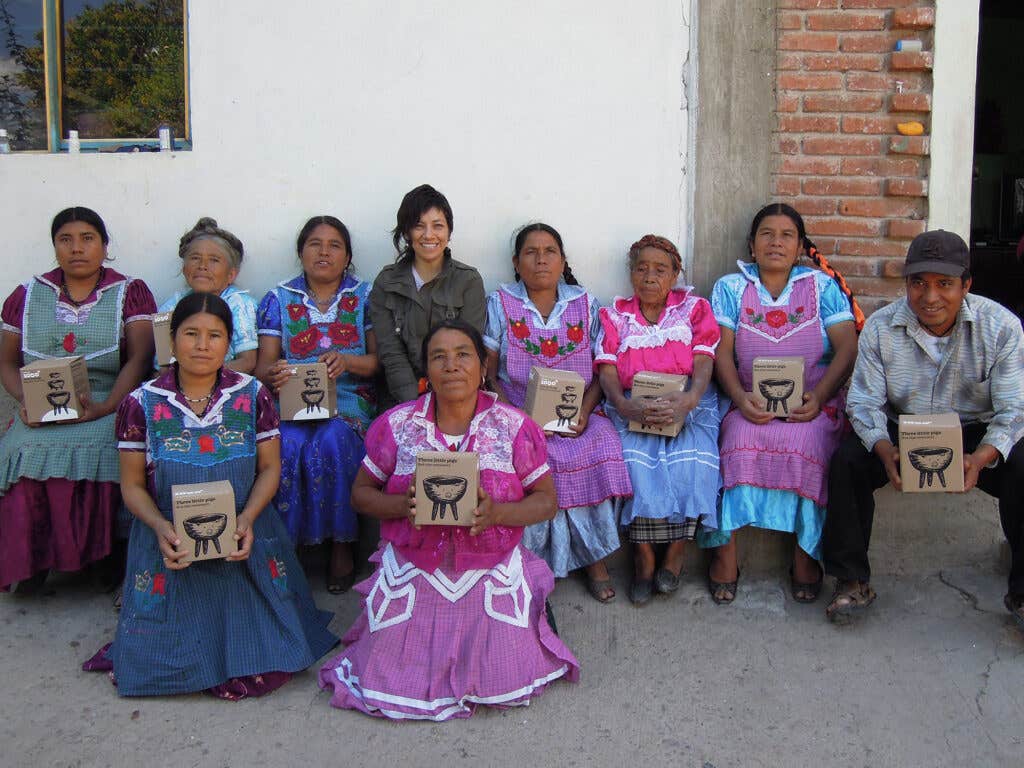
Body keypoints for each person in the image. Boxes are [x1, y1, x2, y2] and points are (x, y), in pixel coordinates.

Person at [319, 320, 579, 720]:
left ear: (483, 365)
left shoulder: (513, 426)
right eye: (438, 357)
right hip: (415, 561)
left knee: (501, 672)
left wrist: (497, 513)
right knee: (386, 674)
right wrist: (402, 506)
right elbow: (361, 494)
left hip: (489, 562)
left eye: (463, 355)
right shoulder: (398, 425)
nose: (451, 365)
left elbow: (546, 502)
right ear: (426, 369)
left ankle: (528, 618)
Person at [83, 292, 337, 698]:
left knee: (265, 646)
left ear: (228, 343)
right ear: (172, 339)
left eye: (215, 335)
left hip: (243, 534)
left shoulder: (253, 395)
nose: (202, 345)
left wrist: (247, 519)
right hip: (170, 542)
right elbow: (131, 486)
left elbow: (270, 469)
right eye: (191, 334)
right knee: (162, 654)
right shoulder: (140, 403)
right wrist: (160, 527)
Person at [822, 230, 1024, 628]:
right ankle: (851, 580)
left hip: (974, 431)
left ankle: (1022, 593)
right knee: (847, 461)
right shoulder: (881, 327)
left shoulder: (1001, 327)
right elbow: (863, 404)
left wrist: (981, 458)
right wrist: (884, 450)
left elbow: (1014, 409)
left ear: (966, 285)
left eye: (944, 284)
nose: (930, 297)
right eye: (918, 283)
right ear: (907, 284)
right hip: (902, 428)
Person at [697, 203, 859, 604]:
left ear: (801, 246)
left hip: (811, 403)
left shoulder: (822, 287)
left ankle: (805, 555)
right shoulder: (731, 288)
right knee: (735, 439)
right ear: (752, 245)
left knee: (811, 444)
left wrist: (819, 397)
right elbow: (721, 353)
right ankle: (725, 555)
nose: (776, 242)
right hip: (749, 400)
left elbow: (847, 348)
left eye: (787, 235)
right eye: (766, 234)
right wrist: (740, 398)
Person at [0, 207, 156, 592]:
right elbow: (6, 362)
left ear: (104, 245)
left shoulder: (129, 293)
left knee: (110, 442)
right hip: (39, 403)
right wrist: (27, 402)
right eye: (65, 240)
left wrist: (107, 406)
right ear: (54, 246)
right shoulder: (27, 295)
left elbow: (139, 359)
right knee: (23, 448)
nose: (76, 248)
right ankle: (31, 561)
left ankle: (101, 559)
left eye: (87, 239)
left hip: (106, 396)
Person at [484, 223, 631, 603]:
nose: (541, 260)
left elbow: (601, 367)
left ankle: (594, 558)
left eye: (549, 251)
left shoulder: (584, 303)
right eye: (530, 252)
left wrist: (584, 412)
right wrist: (518, 419)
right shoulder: (500, 303)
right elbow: (488, 374)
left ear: (563, 260)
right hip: (517, 410)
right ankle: (531, 564)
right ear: (516, 262)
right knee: (532, 455)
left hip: (578, 409)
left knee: (599, 442)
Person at [596, 235, 722, 605]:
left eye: (660, 270)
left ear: (675, 275)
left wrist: (691, 399)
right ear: (631, 273)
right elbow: (606, 368)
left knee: (695, 458)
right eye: (642, 269)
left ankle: (677, 551)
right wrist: (623, 405)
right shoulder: (615, 315)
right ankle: (644, 557)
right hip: (631, 404)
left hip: (688, 400)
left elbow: (704, 359)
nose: (650, 277)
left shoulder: (694, 309)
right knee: (631, 461)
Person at [256, 215, 378, 593]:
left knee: (332, 439)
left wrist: (348, 362)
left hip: (349, 398)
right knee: (288, 444)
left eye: (334, 245)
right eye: (315, 244)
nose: (324, 252)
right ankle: (288, 548)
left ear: (347, 256)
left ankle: (342, 545)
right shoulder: (278, 299)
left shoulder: (366, 296)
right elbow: (262, 366)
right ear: (301, 252)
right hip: (292, 400)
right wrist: (275, 374)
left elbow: (378, 363)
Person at [369, 184, 486, 408]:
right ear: (406, 232)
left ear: (449, 232)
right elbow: (391, 354)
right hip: (401, 397)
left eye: (438, 226)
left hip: (456, 394)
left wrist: (443, 403)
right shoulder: (386, 283)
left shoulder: (468, 281)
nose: (429, 235)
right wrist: (415, 404)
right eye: (418, 226)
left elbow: (467, 351)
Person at [157, 217, 258, 373]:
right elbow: (163, 366)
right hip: (180, 384)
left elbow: (247, 362)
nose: (202, 266)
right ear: (184, 269)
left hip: (226, 383)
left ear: (231, 274)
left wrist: (202, 378)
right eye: (195, 258)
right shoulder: (168, 308)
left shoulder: (240, 304)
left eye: (214, 260)